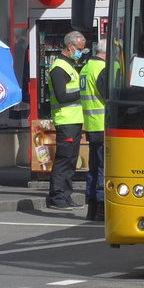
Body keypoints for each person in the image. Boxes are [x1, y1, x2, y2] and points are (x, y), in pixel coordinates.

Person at [46, 30, 86, 210]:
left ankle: (66, 195)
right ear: (70, 46)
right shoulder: (59, 68)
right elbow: (62, 96)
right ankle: (56, 197)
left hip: (74, 120)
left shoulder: (68, 65)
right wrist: (82, 92)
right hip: (65, 120)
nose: (80, 52)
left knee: (71, 160)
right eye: (79, 49)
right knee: (64, 159)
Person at [79, 40, 107, 221]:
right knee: (104, 169)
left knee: (94, 168)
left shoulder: (86, 68)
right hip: (104, 124)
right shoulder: (103, 69)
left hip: (91, 124)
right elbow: (109, 95)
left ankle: (91, 207)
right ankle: (101, 207)